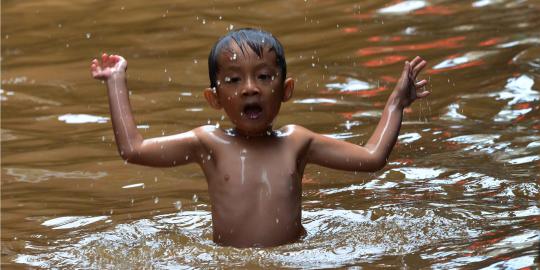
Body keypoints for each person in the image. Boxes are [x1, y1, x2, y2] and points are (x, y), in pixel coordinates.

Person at [90, 28, 429, 248]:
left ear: (286, 90)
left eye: (264, 76)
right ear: (215, 98)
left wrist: (397, 103)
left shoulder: (297, 142)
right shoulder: (208, 144)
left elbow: (372, 158)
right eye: (234, 80)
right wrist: (115, 80)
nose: (250, 87)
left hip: (294, 259)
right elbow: (132, 149)